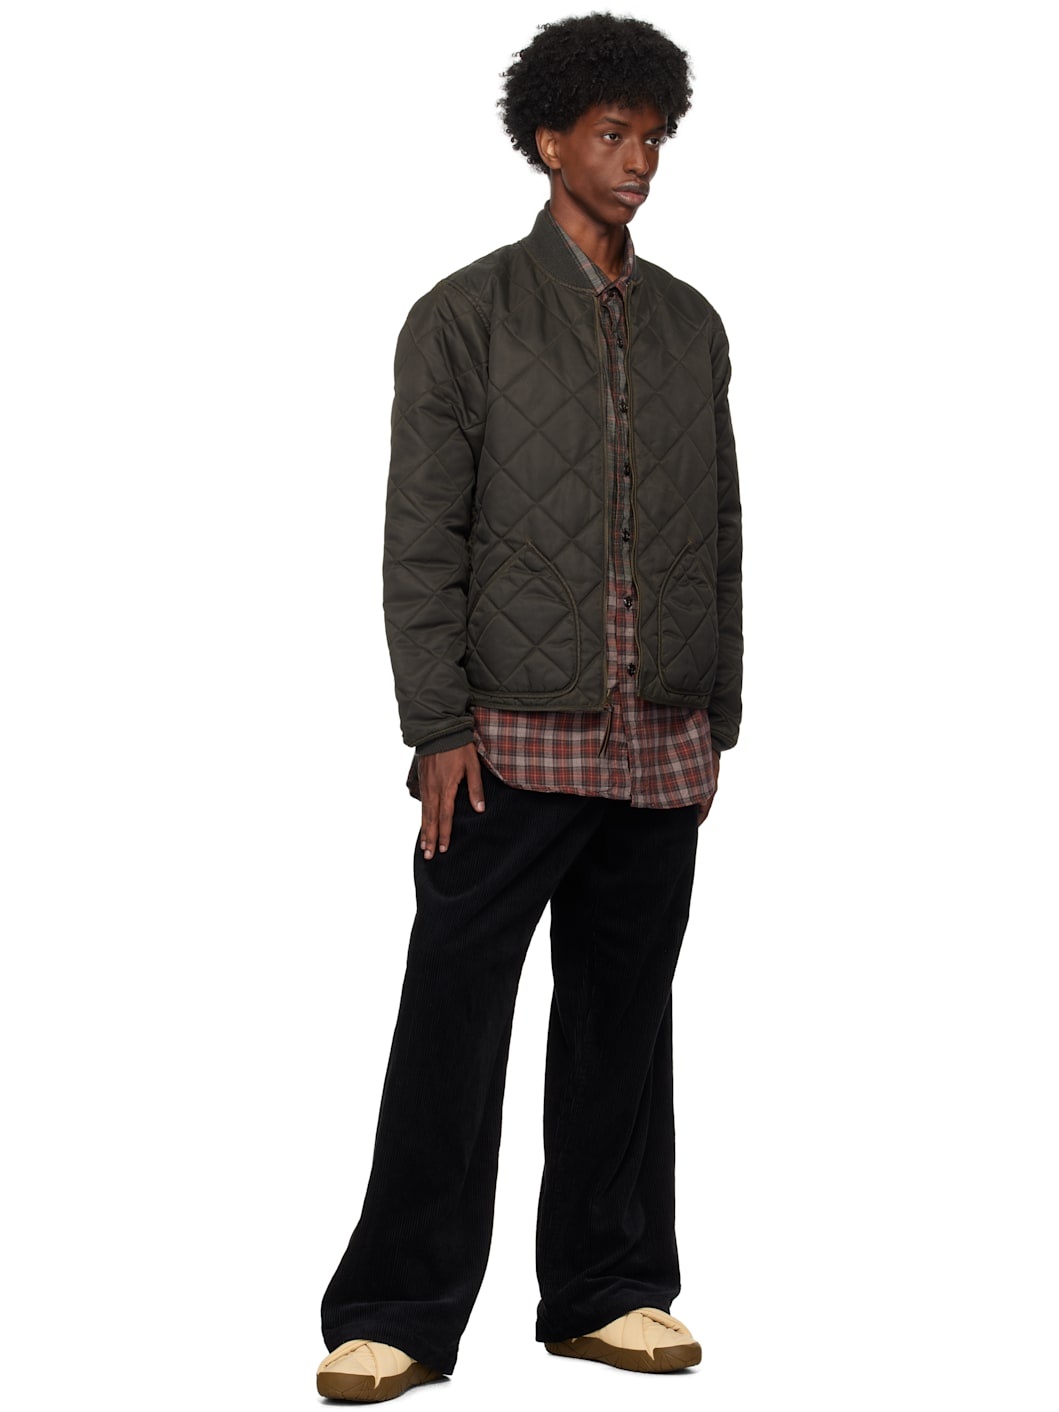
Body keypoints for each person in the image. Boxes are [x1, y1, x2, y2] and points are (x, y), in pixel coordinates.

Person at [317, 12, 743, 1402]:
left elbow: (720, 527)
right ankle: (395, 1309)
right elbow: (419, 538)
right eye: (614, 135)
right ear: (550, 140)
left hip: (659, 737)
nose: (640, 161)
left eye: (654, 137)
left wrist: (719, 709)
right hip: (506, 739)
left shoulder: (690, 324)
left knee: (625, 1021)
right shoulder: (464, 316)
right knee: (454, 1020)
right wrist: (436, 725)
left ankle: (608, 1290)